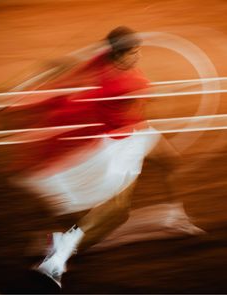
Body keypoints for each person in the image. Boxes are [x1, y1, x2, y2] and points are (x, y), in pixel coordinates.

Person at [14, 27, 203, 287]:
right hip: (123, 143)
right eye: (133, 53)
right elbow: (133, 100)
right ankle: (58, 255)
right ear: (119, 53)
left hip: (138, 129)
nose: (137, 57)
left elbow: (86, 67)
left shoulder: (104, 59)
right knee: (117, 211)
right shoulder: (118, 84)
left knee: (170, 162)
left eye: (138, 52)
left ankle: (176, 214)